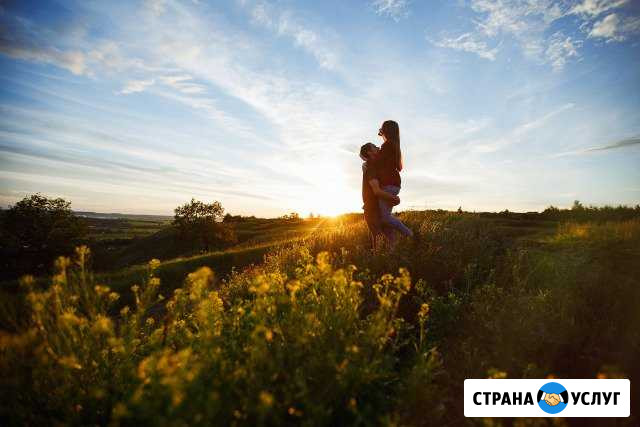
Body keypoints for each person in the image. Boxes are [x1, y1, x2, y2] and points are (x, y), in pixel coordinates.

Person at [375, 120, 413, 237]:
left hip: (388, 184)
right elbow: (397, 167)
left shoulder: (387, 146)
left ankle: (409, 234)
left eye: (382, 129)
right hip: (394, 184)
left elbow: (377, 162)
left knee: (384, 218)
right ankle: (392, 248)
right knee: (385, 220)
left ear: (386, 131)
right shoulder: (395, 146)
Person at [359, 142, 399, 250]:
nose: (378, 147)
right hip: (372, 209)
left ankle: (390, 263)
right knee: (379, 240)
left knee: (390, 239)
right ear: (369, 152)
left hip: (379, 208)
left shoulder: (372, 166)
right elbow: (376, 191)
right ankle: (380, 264)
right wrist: (394, 199)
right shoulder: (370, 168)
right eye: (374, 147)